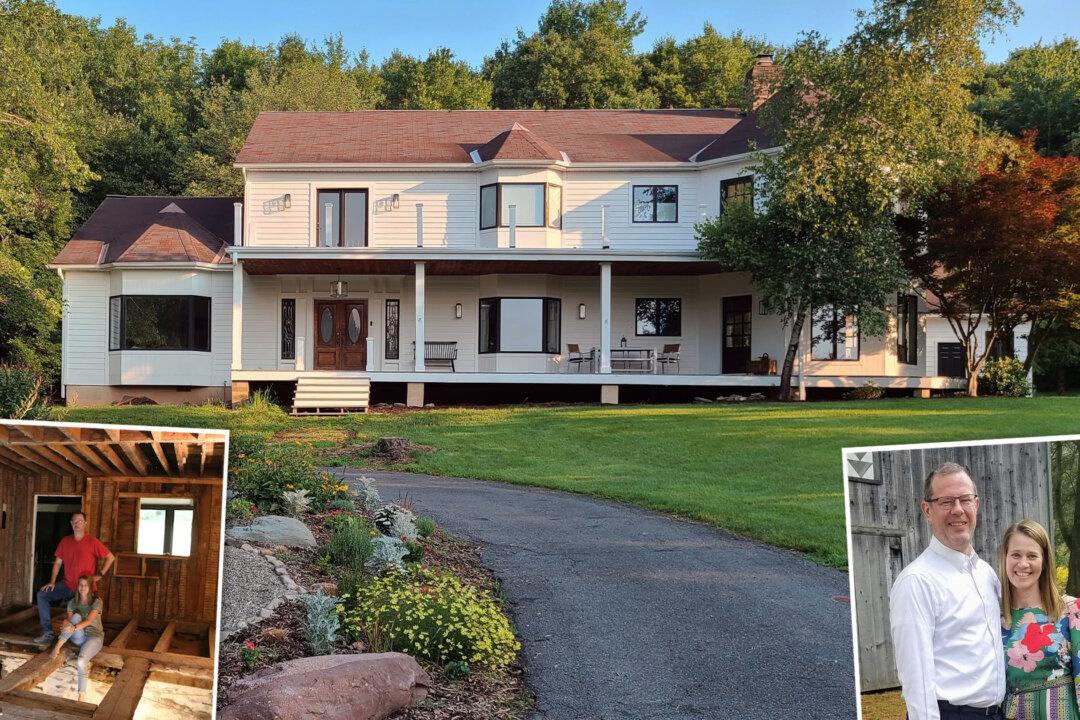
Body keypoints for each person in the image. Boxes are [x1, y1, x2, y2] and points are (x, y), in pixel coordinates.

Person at [890, 461, 1006, 720]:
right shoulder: (917, 581)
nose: (958, 510)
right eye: (946, 502)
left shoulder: (986, 574)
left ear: (976, 504)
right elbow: (916, 679)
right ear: (927, 510)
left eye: (965, 500)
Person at [999, 519, 1080, 719]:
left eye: (1032, 555)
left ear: (1044, 561)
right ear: (1005, 558)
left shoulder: (1071, 611)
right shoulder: (994, 621)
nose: (1023, 563)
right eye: (1015, 554)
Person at [35, 511, 114, 644]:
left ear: (85, 523)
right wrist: (52, 582)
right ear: (71, 524)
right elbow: (58, 563)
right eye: (74, 521)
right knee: (42, 595)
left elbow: (110, 557)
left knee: (85, 615)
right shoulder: (65, 541)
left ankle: (87, 638)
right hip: (68, 585)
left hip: (84, 588)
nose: (77, 524)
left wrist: (100, 574)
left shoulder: (92, 541)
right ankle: (47, 633)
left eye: (80, 521)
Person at [49, 575, 104, 702]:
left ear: (90, 588)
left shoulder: (96, 601)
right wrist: (66, 623)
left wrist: (72, 627)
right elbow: (70, 621)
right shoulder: (72, 603)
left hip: (94, 637)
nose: (83, 587)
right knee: (75, 617)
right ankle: (57, 647)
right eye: (81, 585)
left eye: (86, 585)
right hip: (79, 637)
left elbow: (89, 620)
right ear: (77, 587)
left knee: (81, 661)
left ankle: (81, 695)